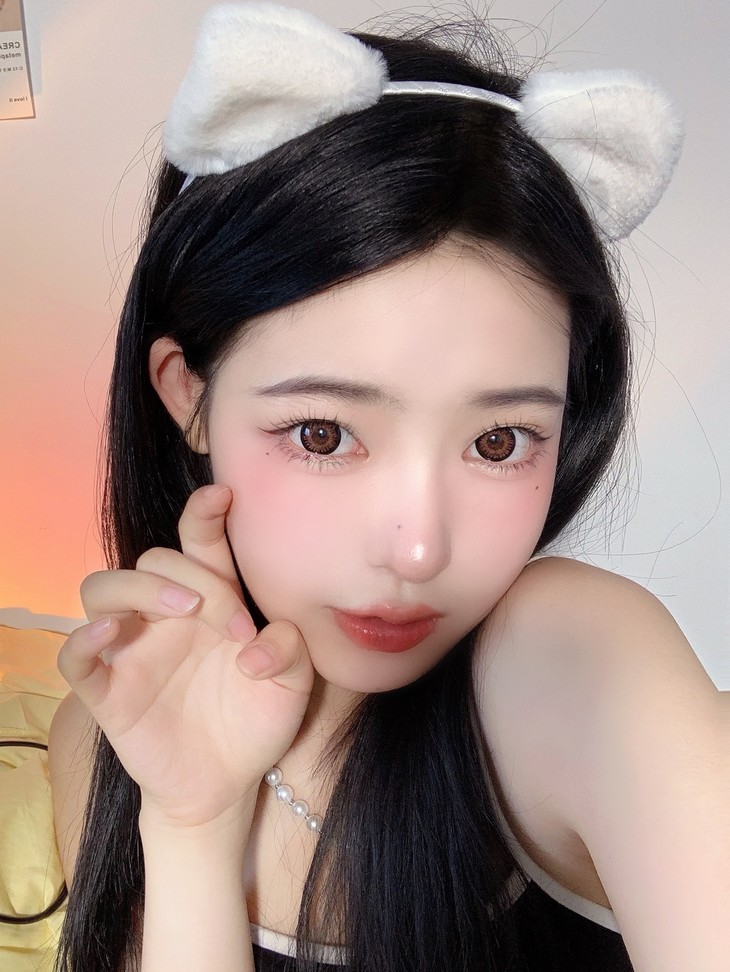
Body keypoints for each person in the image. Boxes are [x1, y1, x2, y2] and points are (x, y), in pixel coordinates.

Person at [47, 3, 726, 971]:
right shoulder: (105, 737)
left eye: (497, 442)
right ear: (187, 396)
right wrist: (192, 824)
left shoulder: (574, 659)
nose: (417, 548)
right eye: (323, 434)